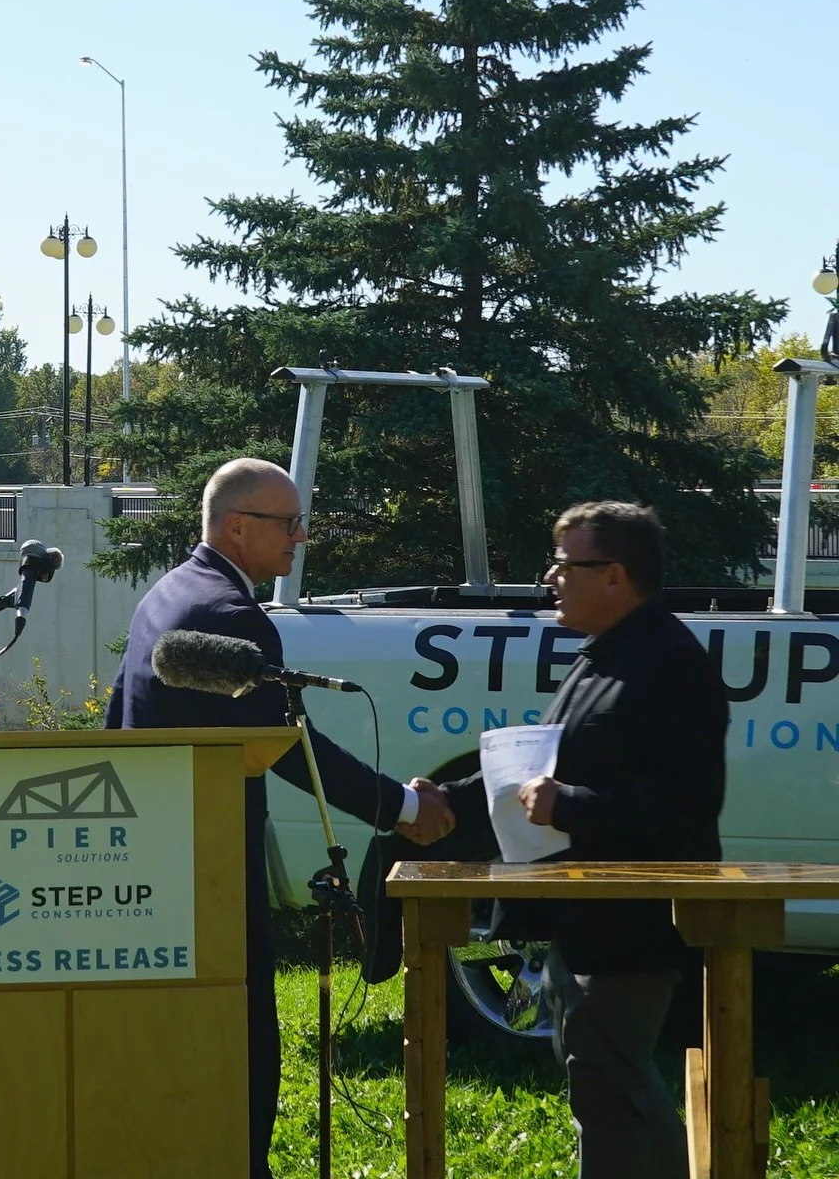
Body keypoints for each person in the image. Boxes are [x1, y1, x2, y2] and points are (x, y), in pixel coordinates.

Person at [105, 457, 453, 1179]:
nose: (300, 539)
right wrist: (407, 808)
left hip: (149, 857)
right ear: (237, 526)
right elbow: (292, 749)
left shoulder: (167, 594)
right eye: (289, 524)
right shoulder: (231, 618)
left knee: (179, 1039)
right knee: (240, 1040)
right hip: (208, 866)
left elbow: (117, 721)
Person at [442, 501, 727, 1179]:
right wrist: (440, 804)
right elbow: (552, 766)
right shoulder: (605, 656)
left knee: (606, 1080)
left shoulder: (669, 664)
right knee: (604, 1077)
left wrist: (567, 805)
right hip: (585, 918)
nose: (550, 576)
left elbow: (685, 811)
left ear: (615, 575)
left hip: (635, 921)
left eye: (566, 563)